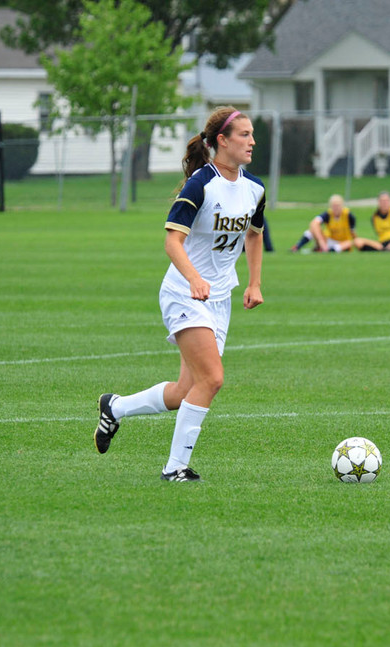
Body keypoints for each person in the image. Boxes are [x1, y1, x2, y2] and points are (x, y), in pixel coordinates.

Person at [94, 106, 265, 482]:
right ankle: (175, 468)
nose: (252, 141)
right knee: (213, 380)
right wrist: (193, 279)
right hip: (184, 294)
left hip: (219, 298)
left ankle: (115, 407)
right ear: (222, 140)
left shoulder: (254, 189)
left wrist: (253, 283)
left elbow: (254, 235)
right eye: (244, 135)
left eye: (252, 134)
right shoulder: (201, 183)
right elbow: (173, 242)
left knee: (186, 389)